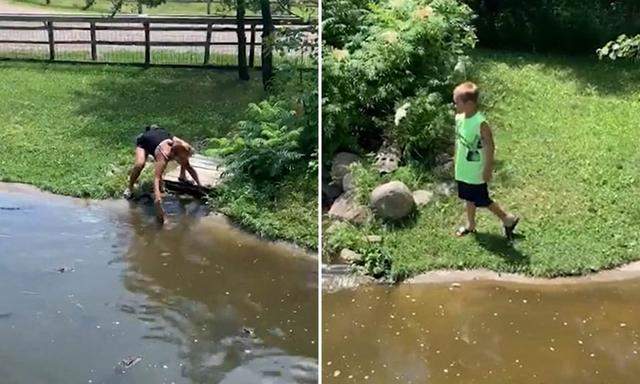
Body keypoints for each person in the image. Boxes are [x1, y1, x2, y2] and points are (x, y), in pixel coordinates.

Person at [452, 82, 519, 239]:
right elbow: (458, 142)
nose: (454, 105)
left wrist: (487, 168)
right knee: (468, 197)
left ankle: (508, 219)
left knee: (482, 199)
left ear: (469, 104)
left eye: (457, 102)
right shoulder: (459, 119)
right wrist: (455, 158)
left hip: (476, 170)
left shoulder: (481, 124)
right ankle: (471, 225)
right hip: (463, 168)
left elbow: (490, 147)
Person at [124, 124, 202, 223]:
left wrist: (199, 185)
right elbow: (156, 177)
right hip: (145, 140)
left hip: (163, 134)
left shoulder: (179, 149)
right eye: (181, 158)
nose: (184, 160)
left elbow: (190, 168)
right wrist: (157, 199)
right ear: (173, 155)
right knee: (140, 164)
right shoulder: (163, 156)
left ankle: (182, 176)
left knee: (186, 155)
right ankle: (130, 188)